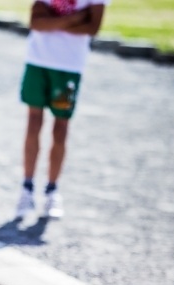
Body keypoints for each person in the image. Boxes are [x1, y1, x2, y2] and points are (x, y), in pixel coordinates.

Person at [15, 0, 108, 219]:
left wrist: (53, 21)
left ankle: (52, 190)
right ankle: (27, 188)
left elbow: (92, 26)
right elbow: (36, 22)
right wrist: (76, 18)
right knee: (33, 124)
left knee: (60, 129)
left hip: (69, 65)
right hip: (38, 60)